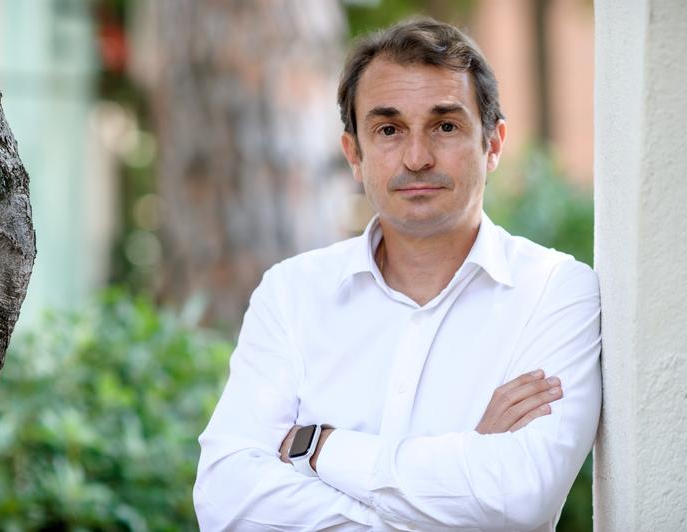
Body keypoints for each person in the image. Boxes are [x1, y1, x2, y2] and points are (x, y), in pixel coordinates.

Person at [194, 17, 601, 532]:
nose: (417, 157)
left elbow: (520, 496)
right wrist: (467, 464)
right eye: (388, 130)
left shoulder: (555, 291)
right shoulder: (291, 293)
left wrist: (319, 448)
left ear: (493, 144)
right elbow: (226, 501)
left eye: (445, 126)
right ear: (354, 154)